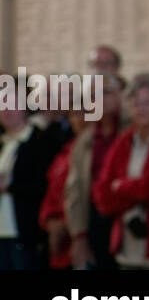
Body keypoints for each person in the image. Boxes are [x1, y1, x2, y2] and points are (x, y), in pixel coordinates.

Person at [91, 74, 149, 269]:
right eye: (136, 104)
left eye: (148, 103)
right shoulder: (123, 142)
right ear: (129, 108)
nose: (142, 109)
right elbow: (102, 194)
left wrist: (122, 186)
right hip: (126, 250)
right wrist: (133, 201)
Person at [64, 74, 123, 270]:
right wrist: (78, 236)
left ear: (119, 95)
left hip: (126, 219)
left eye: (105, 93)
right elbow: (74, 191)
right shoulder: (84, 140)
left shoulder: (132, 132)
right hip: (94, 221)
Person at [0, 102, 55, 269]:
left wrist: (9, 187)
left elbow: (44, 185)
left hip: (26, 230)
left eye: (11, 104)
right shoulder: (4, 142)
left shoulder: (41, 141)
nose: (6, 111)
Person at [39, 111, 89, 270]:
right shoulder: (65, 152)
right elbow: (51, 193)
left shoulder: (97, 149)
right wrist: (49, 221)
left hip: (83, 236)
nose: (79, 120)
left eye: (84, 114)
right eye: (74, 115)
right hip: (60, 245)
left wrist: (66, 224)